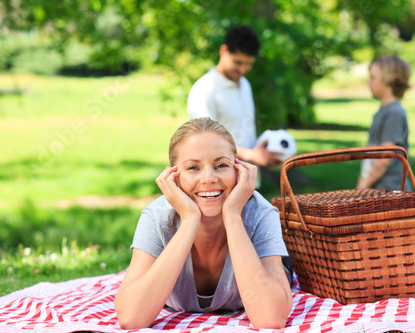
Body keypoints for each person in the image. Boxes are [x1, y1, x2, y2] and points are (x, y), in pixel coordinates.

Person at [115, 117, 293, 330]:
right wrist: (190, 220)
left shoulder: (260, 213)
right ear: (173, 177)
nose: (208, 178)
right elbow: (130, 318)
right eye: (193, 168)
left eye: (221, 165)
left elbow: (271, 320)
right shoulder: (157, 216)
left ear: (239, 170)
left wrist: (233, 216)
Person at [187, 25, 281, 168]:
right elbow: (206, 141)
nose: (242, 69)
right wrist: (251, 155)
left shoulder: (245, 84)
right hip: (220, 179)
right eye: (238, 62)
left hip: (247, 176)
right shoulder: (204, 89)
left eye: (249, 64)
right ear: (224, 51)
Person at [356, 56, 413, 191]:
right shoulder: (384, 111)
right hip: (378, 187)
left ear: (389, 80)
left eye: (373, 77)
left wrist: (362, 187)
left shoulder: (394, 113)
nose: (368, 82)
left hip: (390, 190)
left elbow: (385, 157)